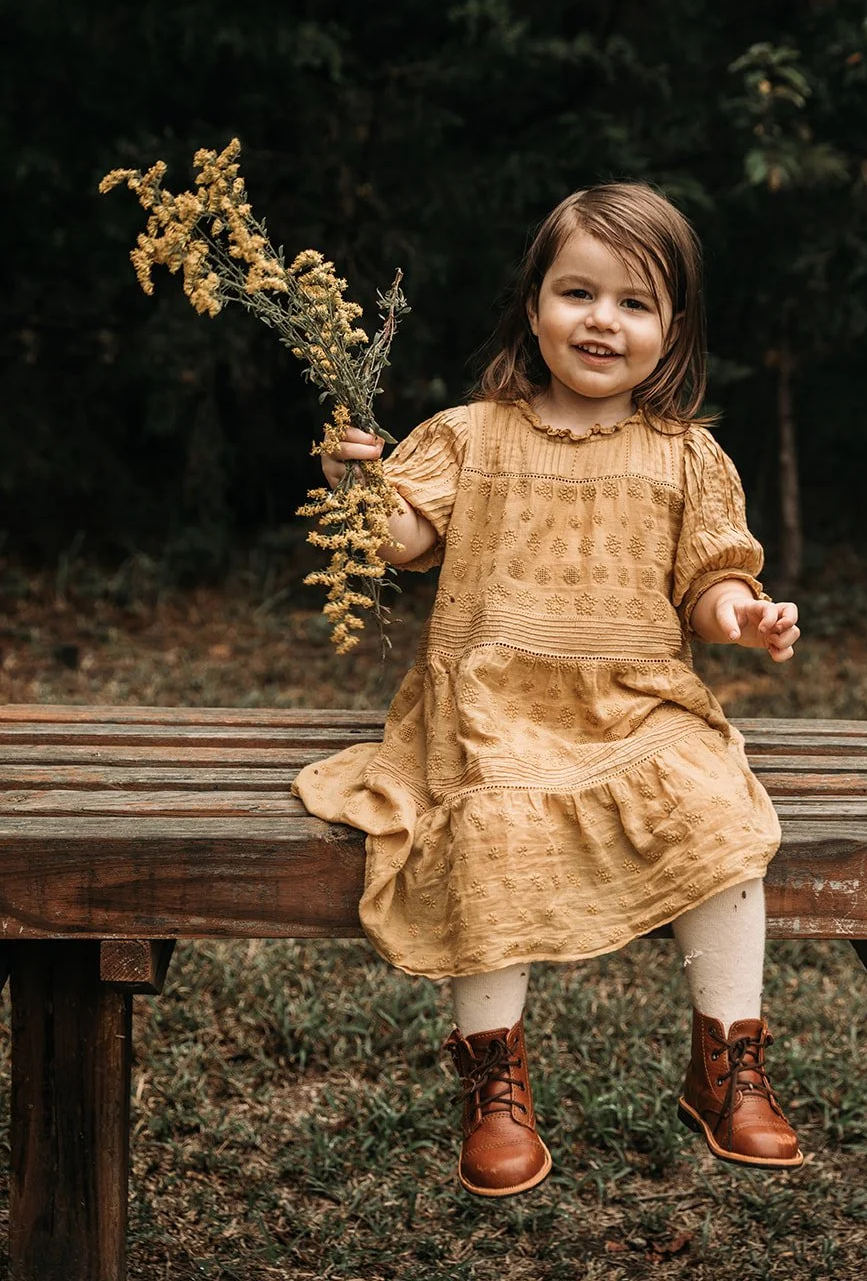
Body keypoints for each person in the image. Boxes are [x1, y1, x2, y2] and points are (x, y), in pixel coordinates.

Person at [292, 183, 803, 1197]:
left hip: (631, 705)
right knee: (487, 827)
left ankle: (727, 1059)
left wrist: (740, 613)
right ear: (533, 306)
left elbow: (710, 577)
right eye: (577, 292)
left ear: (673, 329)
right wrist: (360, 486)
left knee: (717, 814)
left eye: (632, 302)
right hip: (492, 706)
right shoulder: (469, 435)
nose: (600, 320)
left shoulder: (685, 455)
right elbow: (401, 543)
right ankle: (492, 1079)